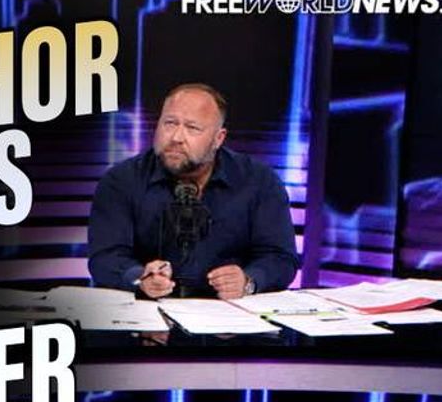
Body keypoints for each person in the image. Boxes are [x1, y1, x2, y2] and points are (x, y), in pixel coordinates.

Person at [87, 83, 299, 299]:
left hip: (228, 312)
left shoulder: (258, 181)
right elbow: (105, 257)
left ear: (218, 138)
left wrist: (249, 281)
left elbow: (281, 258)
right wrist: (139, 277)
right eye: (170, 123)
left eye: (192, 128)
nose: (176, 137)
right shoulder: (121, 181)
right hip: (145, 311)